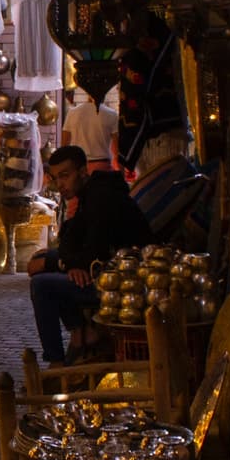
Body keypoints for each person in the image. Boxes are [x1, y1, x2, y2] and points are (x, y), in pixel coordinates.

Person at [28, 143, 152, 362]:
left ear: (83, 171)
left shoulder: (102, 196)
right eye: (56, 178)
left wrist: (62, 263)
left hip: (125, 282)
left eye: (65, 176)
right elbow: (68, 240)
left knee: (42, 284)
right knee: (45, 265)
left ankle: (56, 362)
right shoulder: (87, 195)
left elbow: (95, 252)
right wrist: (68, 263)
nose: (61, 184)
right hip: (101, 270)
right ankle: (81, 334)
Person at [61, 88, 117, 172]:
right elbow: (116, 149)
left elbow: (64, 145)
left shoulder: (72, 113)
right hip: (102, 167)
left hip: (78, 167)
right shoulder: (112, 114)